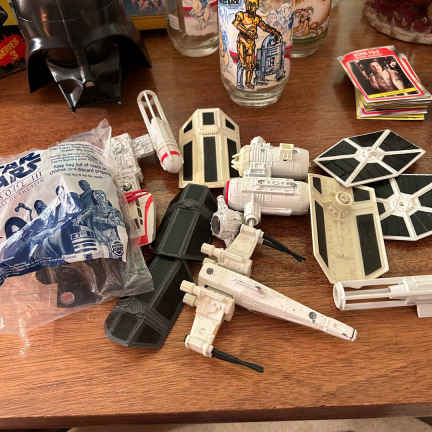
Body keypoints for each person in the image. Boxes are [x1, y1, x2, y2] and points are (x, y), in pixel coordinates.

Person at [233, 0, 282, 89]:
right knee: (242, 63)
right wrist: (247, 32)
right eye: (249, 4)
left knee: (250, 65)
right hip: (242, 41)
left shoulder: (256, 19)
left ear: (256, 6)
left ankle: (248, 82)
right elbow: (236, 23)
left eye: (253, 5)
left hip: (251, 44)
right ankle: (239, 83)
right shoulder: (241, 15)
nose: (250, 7)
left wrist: (274, 32)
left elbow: (265, 27)